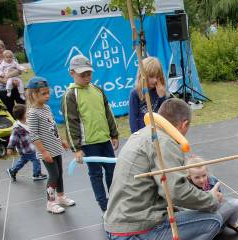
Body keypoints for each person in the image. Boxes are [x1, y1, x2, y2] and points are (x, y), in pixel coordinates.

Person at [104, 99, 223, 240]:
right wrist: (210, 199)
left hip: (116, 226)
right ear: (184, 125)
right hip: (134, 232)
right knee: (213, 220)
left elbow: (165, 191)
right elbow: (177, 192)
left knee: (171, 218)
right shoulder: (164, 142)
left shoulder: (143, 134)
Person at [62, 55, 118, 212]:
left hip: (104, 139)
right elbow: (70, 122)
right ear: (72, 73)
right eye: (82, 75)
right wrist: (77, 148)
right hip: (88, 143)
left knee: (112, 171)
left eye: (89, 73)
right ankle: (104, 206)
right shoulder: (70, 95)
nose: (87, 77)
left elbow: (108, 112)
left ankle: (115, 200)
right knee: (95, 174)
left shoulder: (97, 90)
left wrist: (114, 134)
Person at [26, 76, 75, 214]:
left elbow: (51, 126)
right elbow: (34, 135)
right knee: (53, 175)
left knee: (59, 173)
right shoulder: (33, 113)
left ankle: (61, 197)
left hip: (55, 147)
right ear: (33, 94)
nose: (47, 96)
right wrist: (44, 151)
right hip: (46, 150)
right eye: (43, 94)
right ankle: (50, 203)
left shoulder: (46, 108)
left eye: (48, 93)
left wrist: (61, 140)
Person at [186, 155, 238, 236]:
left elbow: (218, 202)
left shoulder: (212, 180)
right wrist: (207, 197)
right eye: (197, 177)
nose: (201, 180)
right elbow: (187, 211)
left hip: (212, 210)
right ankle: (206, 233)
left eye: (204, 175)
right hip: (198, 216)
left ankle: (231, 224)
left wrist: (218, 198)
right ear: (189, 176)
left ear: (207, 172)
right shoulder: (186, 187)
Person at [6, 104, 47, 182]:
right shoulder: (17, 128)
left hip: (30, 147)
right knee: (36, 158)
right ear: (22, 115)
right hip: (26, 149)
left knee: (23, 160)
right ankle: (36, 174)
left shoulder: (27, 122)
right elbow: (13, 139)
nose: (28, 113)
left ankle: (12, 170)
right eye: (26, 112)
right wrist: (10, 147)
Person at [128, 57, 168, 133]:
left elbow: (165, 115)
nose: (155, 80)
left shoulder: (159, 91)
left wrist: (162, 97)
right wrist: (136, 135)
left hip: (159, 131)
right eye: (151, 76)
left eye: (157, 77)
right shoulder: (135, 93)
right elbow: (133, 118)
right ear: (143, 75)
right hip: (143, 133)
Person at [0, 39, 23, 113]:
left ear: (4, 48)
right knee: (9, 110)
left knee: (23, 107)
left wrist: (8, 77)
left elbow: (19, 71)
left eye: (0, 48)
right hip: (3, 90)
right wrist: (6, 81)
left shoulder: (12, 57)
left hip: (16, 86)